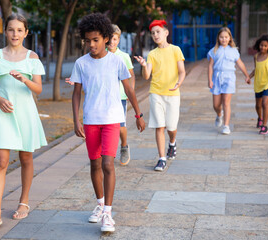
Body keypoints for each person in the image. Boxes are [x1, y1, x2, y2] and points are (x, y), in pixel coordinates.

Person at [70, 13, 145, 232]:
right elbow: (76, 94)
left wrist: (138, 115)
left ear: (105, 38)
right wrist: (76, 120)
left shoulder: (116, 61)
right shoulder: (81, 64)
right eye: (87, 40)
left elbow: (129, 88)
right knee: (94, 164)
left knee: (107, 164)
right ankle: (100, 205)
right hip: (91, 120)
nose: (91, 44)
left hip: (112, 119)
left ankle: (108, 215)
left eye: (95, 40)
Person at [0, 13, 47, 231]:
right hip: (3, 113)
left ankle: (24, 201)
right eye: (11, 29)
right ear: (5, 31)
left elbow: (38, 88)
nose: (15, 34)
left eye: (19, 30)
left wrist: (24, 78)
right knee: (0, 161)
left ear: (26, 33)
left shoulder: (33, 58)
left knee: (26, 157)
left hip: (26, 113)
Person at [134, 19, 186, 172]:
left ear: (166, 33)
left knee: (171, 126)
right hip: (155, 93)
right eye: (152, 33)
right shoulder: (152, 54)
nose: (155, 35)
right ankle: (161, 159)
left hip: (172, 94)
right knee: (159, 126)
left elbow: (182, 71)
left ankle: (172, 142)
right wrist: (144, 66)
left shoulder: (176, 50)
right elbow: (146, 76)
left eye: (158, 32)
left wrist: (179, 83)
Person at [207, 27, 250, 135]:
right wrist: (209, 80)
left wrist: (247, 75)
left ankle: (226, 126)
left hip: (229, 78)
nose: (224, 39)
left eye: (226, 37)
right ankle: (219, 115)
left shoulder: (234, 51)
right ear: (218, 38)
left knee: (226, 102)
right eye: (221, 37)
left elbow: (240, 63)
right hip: (217, 78)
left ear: (230, 38)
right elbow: (210, 66)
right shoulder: (214, 51)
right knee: (216, 105)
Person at [107, 24, 135, 166]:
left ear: (118, 40)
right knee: (106, 125)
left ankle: (124, 146)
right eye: (110, 39)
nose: (112, 42)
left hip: (120, 97)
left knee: (120, 125)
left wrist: (131, 92)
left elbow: (131, 75)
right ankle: (107, 152)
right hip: (105, 97)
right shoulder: (100, 55)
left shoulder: (124, 56)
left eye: (115, 39)